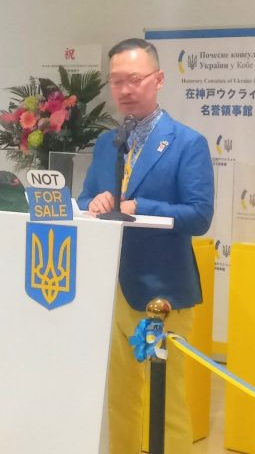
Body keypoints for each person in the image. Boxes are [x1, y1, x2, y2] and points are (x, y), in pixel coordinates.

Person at [77, 39, 214, 454]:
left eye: (134, 79)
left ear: (158, 79)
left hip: (162, 292)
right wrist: (95, 203)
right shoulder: (108, 142)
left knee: (165, 402)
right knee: (119, 399)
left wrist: (140, 207)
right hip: (112, 289)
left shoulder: (187, 143)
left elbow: (199, 215)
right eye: (116, 81)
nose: (124, 90)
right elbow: (86, 198)